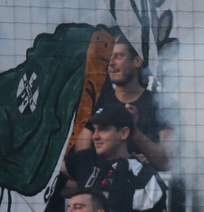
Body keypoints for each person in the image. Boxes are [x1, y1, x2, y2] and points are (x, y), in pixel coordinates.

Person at [62, 103, 168, 212]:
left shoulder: (144, 174)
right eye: (94, 130)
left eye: (103, 129)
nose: (95, 136)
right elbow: (48, 177)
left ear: (124, 133)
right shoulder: (84, 159)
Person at [73, 36, 172, 171]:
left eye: (119, 56)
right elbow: (81, 163)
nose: (111, 63)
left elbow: (167, 162)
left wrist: (134, 131)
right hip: (101, 184)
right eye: (110, 58)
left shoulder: (159, 104)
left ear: (137, 61)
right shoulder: (96, 101)